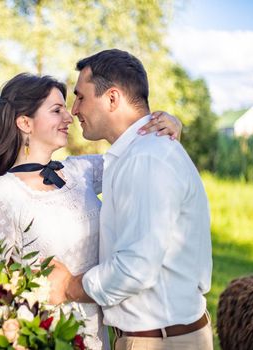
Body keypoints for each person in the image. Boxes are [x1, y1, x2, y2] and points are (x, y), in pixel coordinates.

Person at [0, 72, 182, 350]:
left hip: (99, 334)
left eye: (66, 107)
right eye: (56, 110)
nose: (69, 116)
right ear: (25, 122)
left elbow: (135, 157)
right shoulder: (3, 196)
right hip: (45, 339)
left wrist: (169, 124)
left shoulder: (81, 171)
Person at [47, 49, 213, 350]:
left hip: (161, 341)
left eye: (80, 97)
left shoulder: (147, 159)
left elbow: (135, 267)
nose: (73, 109)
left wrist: (69, 286)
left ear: (112, 99)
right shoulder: (139, 153)